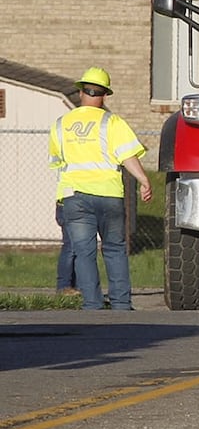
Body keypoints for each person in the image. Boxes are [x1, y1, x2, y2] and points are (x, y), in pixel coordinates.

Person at [47, 68, 153, 311]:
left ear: (81, 92)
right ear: (104, 95)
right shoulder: (111, 122)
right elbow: (127, 156)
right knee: (115, 250)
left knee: (84, 252)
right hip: (109, 196)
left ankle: (92, 306)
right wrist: (144, 180)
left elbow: (56, 162)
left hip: (75, 196)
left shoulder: (61, 124)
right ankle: (121, 305)